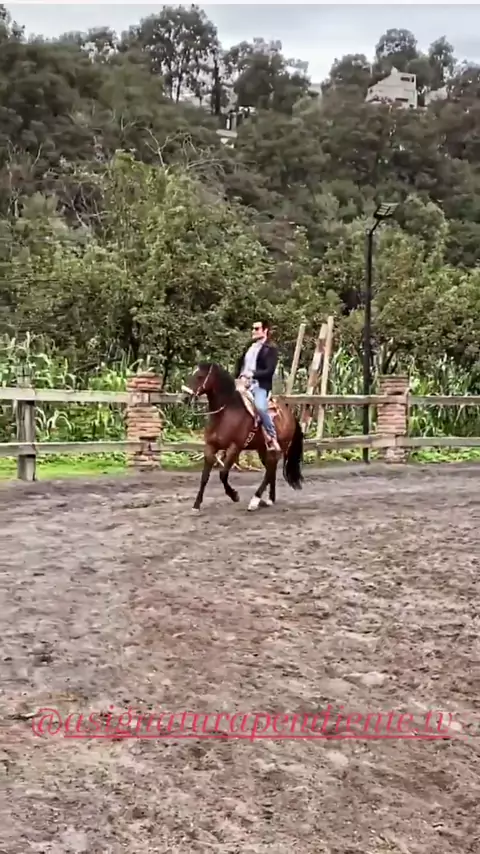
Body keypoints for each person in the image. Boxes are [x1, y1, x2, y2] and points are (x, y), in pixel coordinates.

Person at [235, 319, 280, 451]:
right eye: (253, 328)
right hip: (241, 382)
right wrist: (237, 377)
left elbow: (269, 370)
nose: (253, 331)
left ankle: (272, 436)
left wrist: (252, 374)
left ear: (265, 330)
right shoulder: (249, 347)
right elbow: (240, 365)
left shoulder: (270, 349)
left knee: (260, 407)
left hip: (259, 384)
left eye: (256, 329)